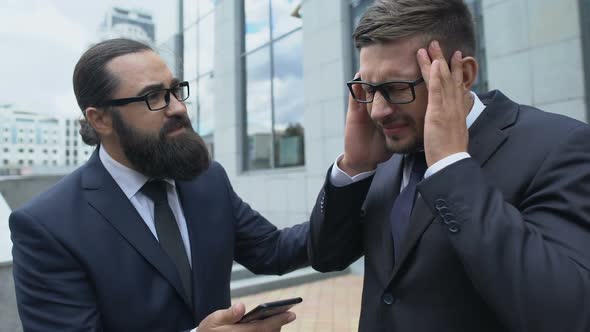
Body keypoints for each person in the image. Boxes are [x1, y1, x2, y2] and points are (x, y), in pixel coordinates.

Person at [307, 0, 590, 331]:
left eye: (396, 88)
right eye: (368, 89)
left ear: (464, 75)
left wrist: (452, 166)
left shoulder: (559, 146)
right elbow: (328, 257)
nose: (378, 111)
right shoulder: (385, 152)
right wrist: (354, 168)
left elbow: (567, 314)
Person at [10, 38, 309, 332]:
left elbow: (274, 250)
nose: (178, 108)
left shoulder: (207, 180)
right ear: (100, 119)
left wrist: (349, 174)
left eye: (175, 91)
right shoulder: (47, 226)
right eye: (153, 96)